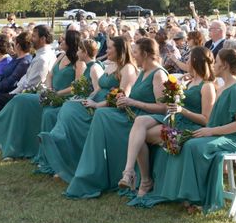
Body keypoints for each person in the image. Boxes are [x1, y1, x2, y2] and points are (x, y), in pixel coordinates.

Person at [131, 48, 236, 213]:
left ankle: (196, 198)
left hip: (234, 138)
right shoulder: (224, 87)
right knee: (187, 143)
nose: (214, 65)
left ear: (224, 65)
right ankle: (182, 194)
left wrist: (210, 131)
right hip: (218, 132)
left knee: (192, 145)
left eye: (216, 62)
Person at [64, 38, 168, 199]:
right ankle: (93, 170)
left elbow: (163, 108)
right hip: (134, 113)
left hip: (149, 117)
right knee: (101, 114)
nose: (133, 55)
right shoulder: (144, 72)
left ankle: (125, 173)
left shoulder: (158, 74)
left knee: (103, 115)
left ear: (145, 54)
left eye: (135, 52)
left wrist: (132, 102)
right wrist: (122, 102)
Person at [35, 36, 137, 182]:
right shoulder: (111, 65)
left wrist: (96, 105)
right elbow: (99, 88)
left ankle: (63, 146)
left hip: (110, 108)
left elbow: (122, 96)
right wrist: (87, 98)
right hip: (96, 101)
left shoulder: (128, 68)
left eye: (109, 48)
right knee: (70, 105)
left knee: (72, 113)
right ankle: (59, 141)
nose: (106, 51)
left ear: (120, 49)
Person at [119, 46, 216, 197]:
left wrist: (182, 110)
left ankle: (144, 180)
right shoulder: (190, 83)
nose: (186, 61)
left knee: (140, 134)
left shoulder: (207, 86)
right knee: (140, 125)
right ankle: (130, 172)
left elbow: (206, 120)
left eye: (188, 58)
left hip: (188, 130)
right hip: (176, 123)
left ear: (195, 61)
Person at [0, 29, 84, 158]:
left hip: (63, 97)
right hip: (49, 94)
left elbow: (76, 86)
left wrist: (57, 93)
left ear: (71, 41)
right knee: (20, 100)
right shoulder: (61, 55)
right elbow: (50, 75)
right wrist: (50, 89)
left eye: (64, 38)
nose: (60, 39)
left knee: (18, 100)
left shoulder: (78, 61)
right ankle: (8, 140)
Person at [0, 25, 56, 154]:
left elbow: (30, 84)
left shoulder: (42, 58)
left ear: (43, 39)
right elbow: (25, 79)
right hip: (25, 91)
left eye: (34, 36)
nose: (31, 40)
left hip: (31, 95)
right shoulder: (41, 55)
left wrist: (13, 92)